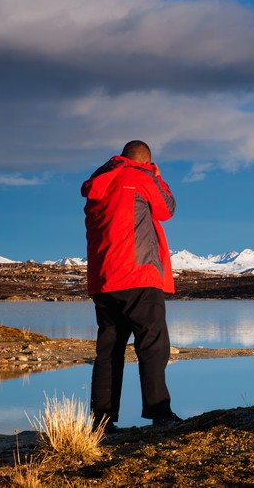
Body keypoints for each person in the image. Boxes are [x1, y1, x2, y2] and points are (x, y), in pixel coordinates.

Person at [81, 140, 181, 430]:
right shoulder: (140, 175)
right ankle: (160, 413)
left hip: (103, 279)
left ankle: (102, 422)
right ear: (144, 160)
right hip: (137, 273)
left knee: (109, 350)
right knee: (153, 343)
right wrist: (155, 174)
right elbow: (166, 208)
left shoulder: (99, 181)